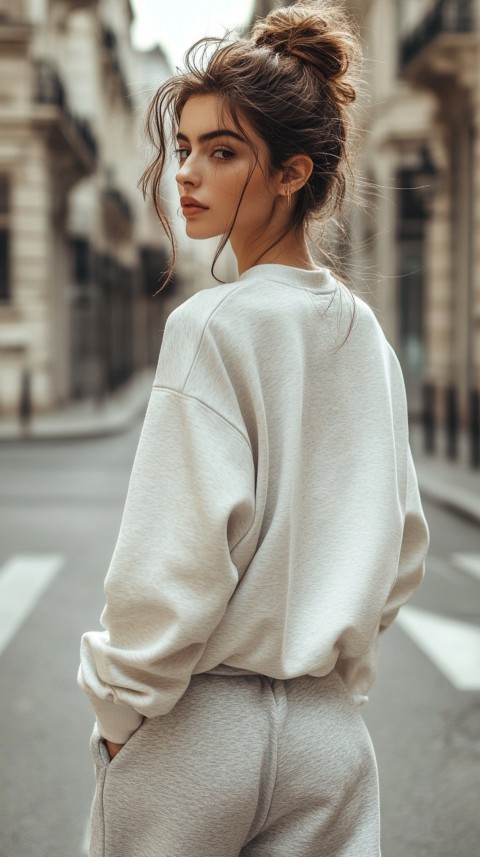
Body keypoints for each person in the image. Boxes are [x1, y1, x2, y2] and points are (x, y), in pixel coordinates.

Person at [78, 2, 429, 855]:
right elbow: (404, 549)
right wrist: (324, 675)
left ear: (292, 173)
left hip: (200, 735)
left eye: (223, 151)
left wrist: (120, 716)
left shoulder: (211, 326)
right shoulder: (366, 337)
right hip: (330, 743)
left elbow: (173, 562)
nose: (188, 173)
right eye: (187, 147)